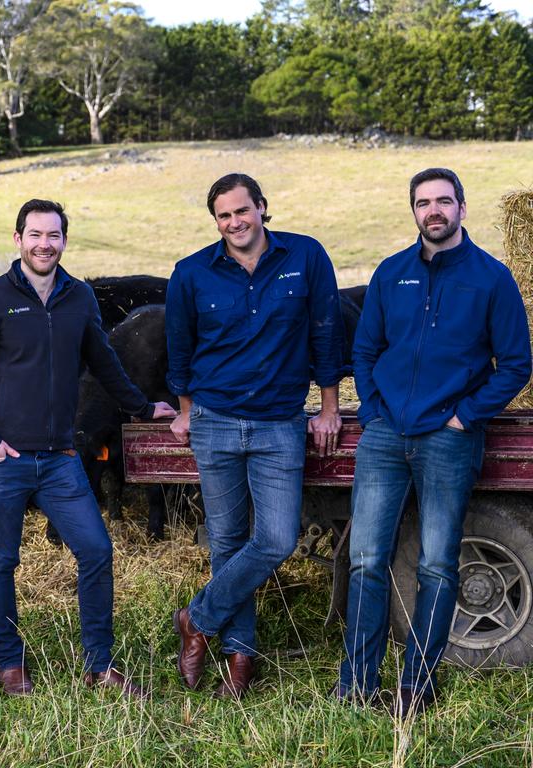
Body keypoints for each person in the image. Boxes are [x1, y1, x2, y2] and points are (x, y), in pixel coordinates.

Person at [0, 198, 176, 699]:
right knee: (0, 561)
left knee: (96, 550)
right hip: (3, 459)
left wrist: (144, 408)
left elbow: (103, 360)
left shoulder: (78, 298)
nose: (44, 244)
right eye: (35, 234)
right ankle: (10, 663)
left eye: (53, 235)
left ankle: (99, 665)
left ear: (64, 241)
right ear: (18, 240)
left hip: (59, 458)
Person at [336, 168, 531, 716]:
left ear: (462, 208)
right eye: (424, 203)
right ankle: (357, 685)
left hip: (448, 439)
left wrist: (464, 417)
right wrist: (374, 413)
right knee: (366, 560)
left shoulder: (491, 278)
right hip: (384, 437)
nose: (434, 211)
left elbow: (516, 364)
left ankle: (415, 685)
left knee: (438, 565)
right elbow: (366, 351)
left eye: (444, 201)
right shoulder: (391, 273)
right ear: (414, 211)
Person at [166, 173, 344, 699]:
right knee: (226, 542)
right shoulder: (191, 273)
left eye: (242, 211)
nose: (235, 223)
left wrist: (329, 406)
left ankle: (196, 618)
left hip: (279, 423)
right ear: (215, 221)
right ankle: (239, 657)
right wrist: (186, 412)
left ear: (263, 208)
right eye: (223, 216)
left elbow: (326, 334)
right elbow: (181, 353)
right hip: (215, 421)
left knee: (277, 539)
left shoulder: (306, 257)